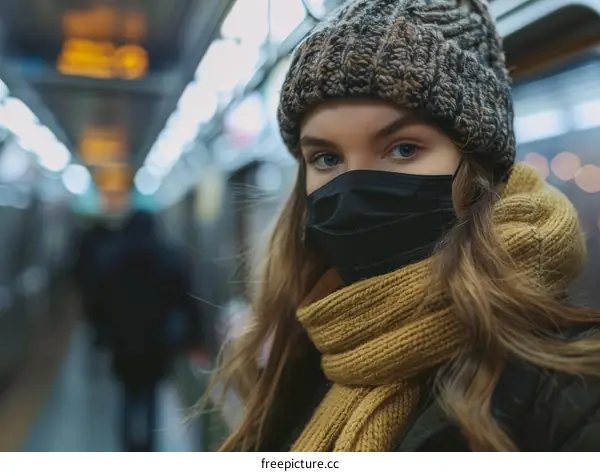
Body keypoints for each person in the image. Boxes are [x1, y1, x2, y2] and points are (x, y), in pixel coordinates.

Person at [209, 0, 600, 452]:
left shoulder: (570, 389)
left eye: (403, 149)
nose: (353, 189)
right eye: (327, 158)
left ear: (476, 171)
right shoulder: (302, 354)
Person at [97, 210, 203, 452]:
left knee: (127, 396)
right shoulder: (168, 257)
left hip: (121, 342)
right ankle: (148, 448)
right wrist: (194, 337)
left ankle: (127, 448)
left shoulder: (111, 257)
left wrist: (102, 335)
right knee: (151, 396)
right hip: (157, 343)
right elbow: (187, 300)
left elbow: (98, 301)